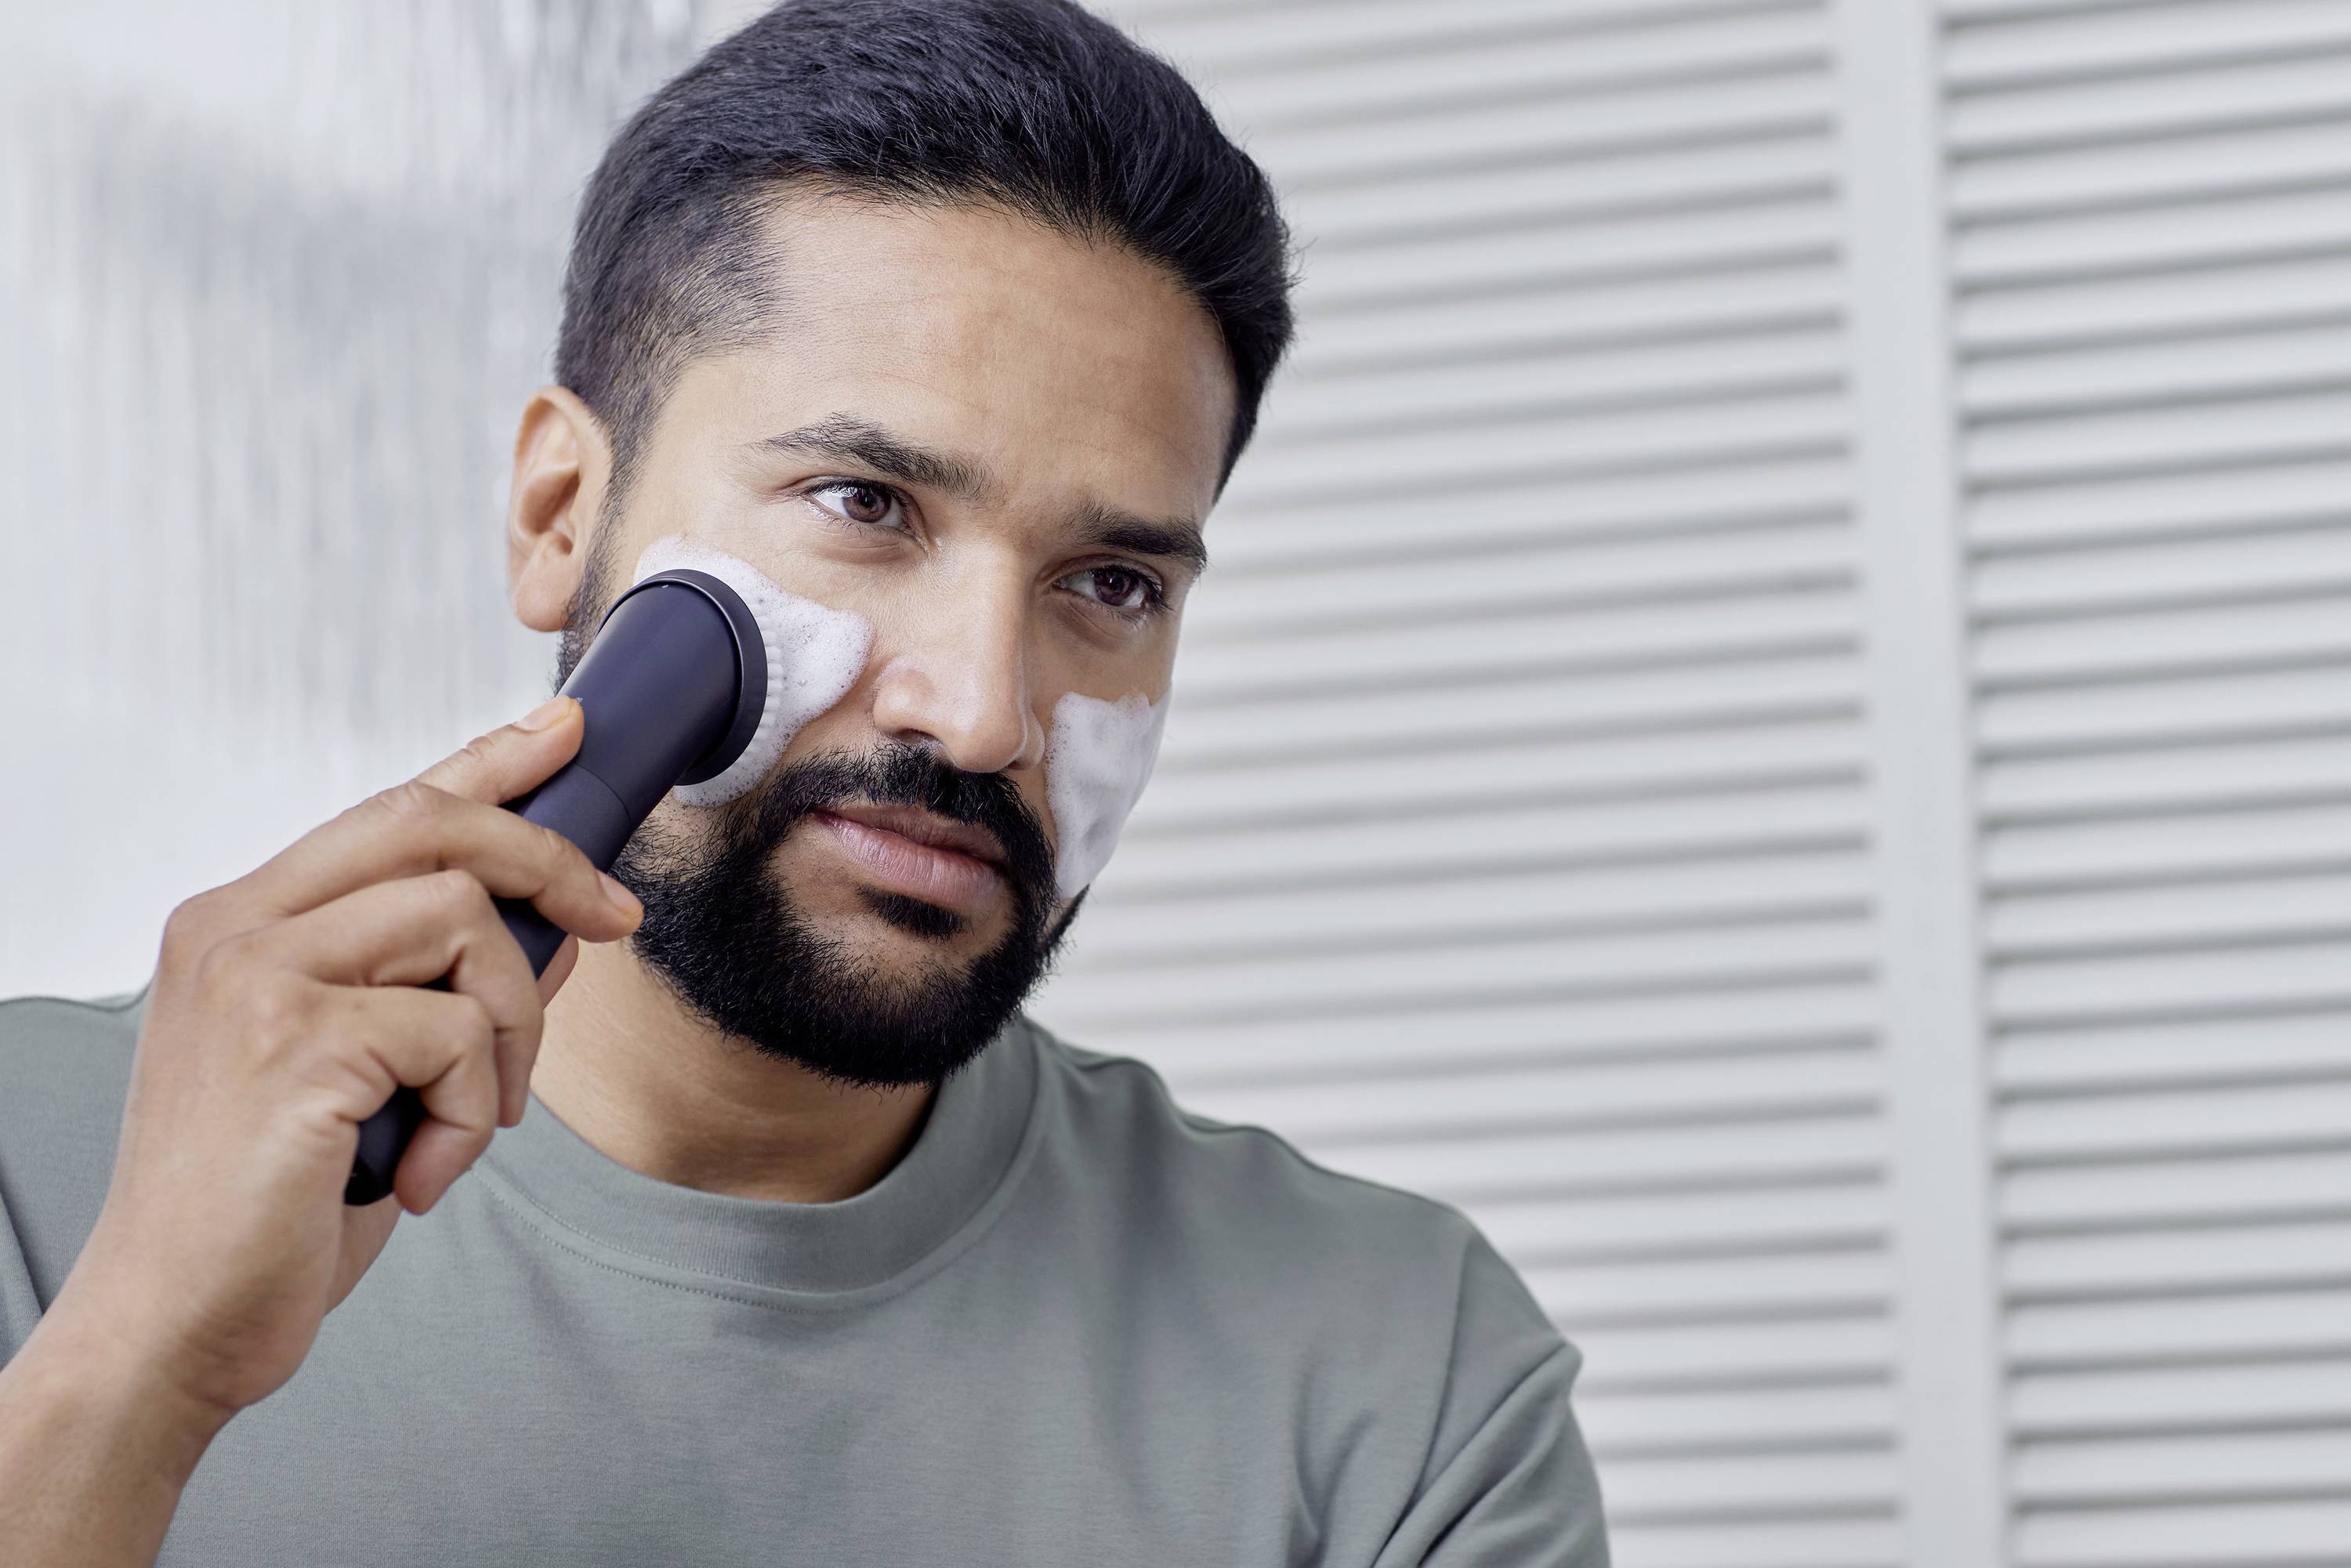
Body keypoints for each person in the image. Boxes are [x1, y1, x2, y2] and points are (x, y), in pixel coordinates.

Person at [0, 2, 1609, 1563]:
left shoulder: (1403, 1385)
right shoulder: (32, 1190)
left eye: (1111, 583)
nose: (984, 714)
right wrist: (131, 1373)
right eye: (865, 501)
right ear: (565, 515)